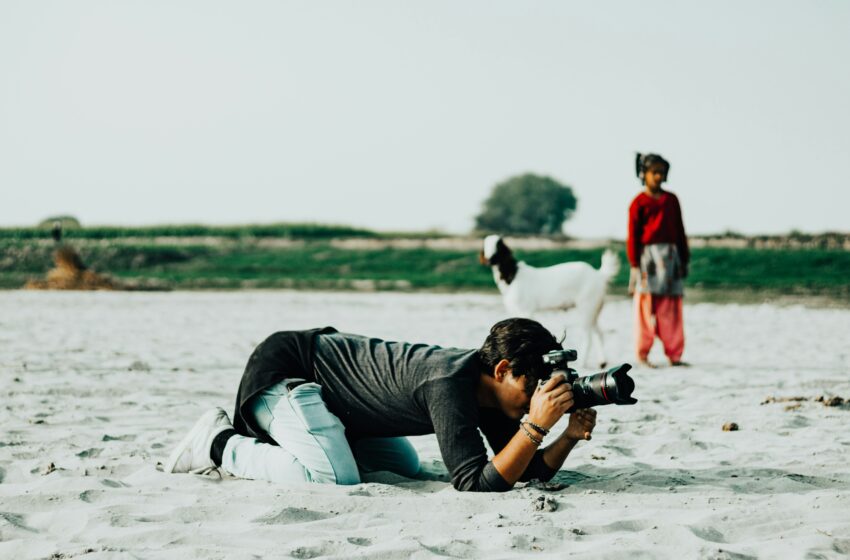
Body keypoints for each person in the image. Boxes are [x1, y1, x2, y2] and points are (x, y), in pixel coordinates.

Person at [165, 318, 598, 492]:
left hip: (338, 404)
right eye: (533, 387)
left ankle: (317, 439)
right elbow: (473, 484)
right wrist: (536, 427)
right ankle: (218, 442)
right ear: (502, 370)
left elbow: (521, 468)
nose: (536, 399)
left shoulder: (491, 395)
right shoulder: (450, 384)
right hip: (289, 371)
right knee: (333, 478)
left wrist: (570, 436)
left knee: (405, 467)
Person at [627, 153, 689, 367]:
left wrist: (684, 259)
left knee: (670, 308)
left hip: (671, 258)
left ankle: (675, 354)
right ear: (644, 174)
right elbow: (633, 235)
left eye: (662, 173)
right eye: (655, 172)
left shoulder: (671, 200)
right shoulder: (638, 203)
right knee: (645, 308)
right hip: (647, 260)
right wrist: (634, 264)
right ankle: (642, 354)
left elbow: (680, 230)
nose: (659, 177)